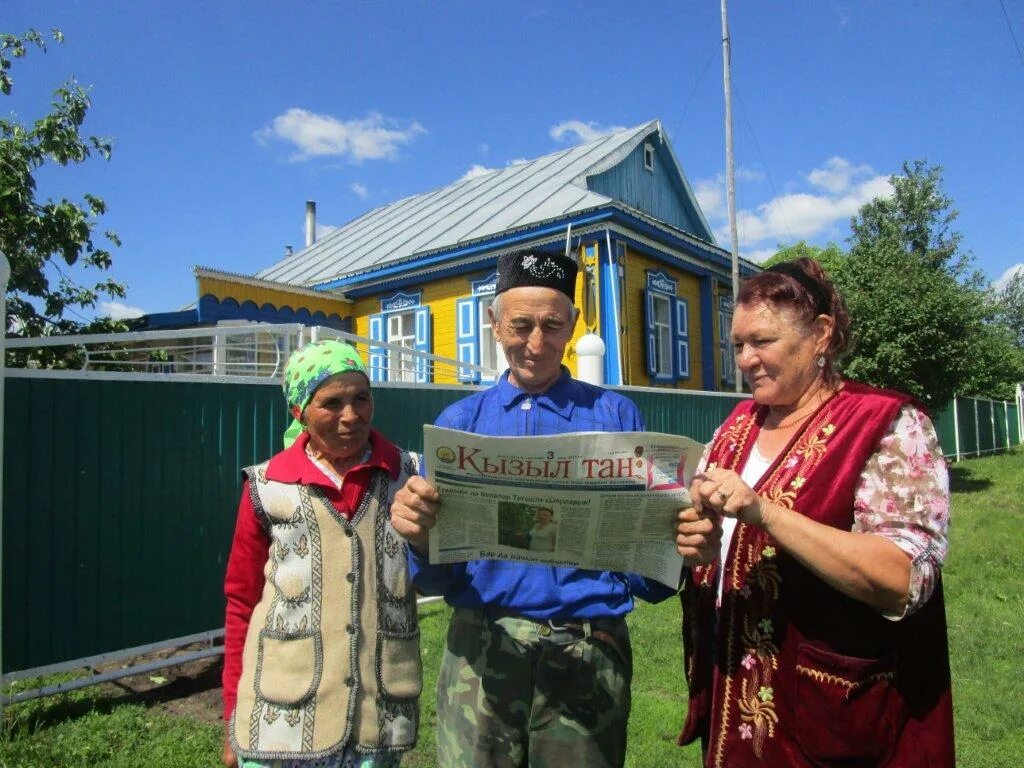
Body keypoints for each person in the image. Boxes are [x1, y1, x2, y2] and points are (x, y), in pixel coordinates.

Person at [390, 249, 720, 768]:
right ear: (494, 324)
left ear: (572, 326)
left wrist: (677, 546)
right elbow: (433, 578)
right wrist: (416, 533)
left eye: (552, 325)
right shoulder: (460, 421)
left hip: (588, 651)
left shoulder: (614, 415)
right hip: (481, 651)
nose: (536, 343)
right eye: (520, 325)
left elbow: (650, 576)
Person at [677, 258, 954, 767]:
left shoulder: (886, 424)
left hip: (832, 713)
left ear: (821, 335)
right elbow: (719, 546)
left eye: (763, 341)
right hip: (736, 704)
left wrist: (765, 512)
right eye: (738, 344)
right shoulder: (739, 424)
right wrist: (698, 545)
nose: (745, 359)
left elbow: (902, 579)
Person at [222, 341, 422, 768]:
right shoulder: (267, 486)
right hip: (283, 718)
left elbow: (440, 567)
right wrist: (231, 715)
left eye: (361, 398)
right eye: (331, 403)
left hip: (377, 718)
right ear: (300, 413)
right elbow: (241, 602)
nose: (351, 416)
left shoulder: (408, 475)